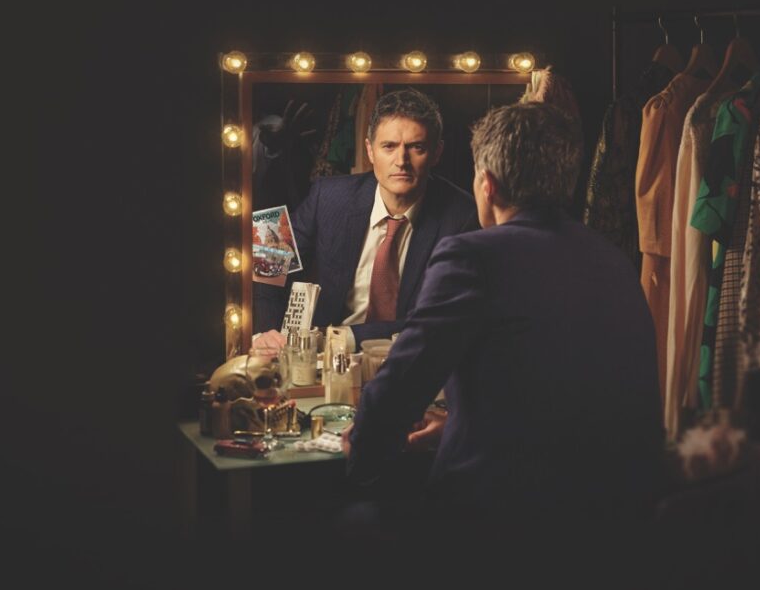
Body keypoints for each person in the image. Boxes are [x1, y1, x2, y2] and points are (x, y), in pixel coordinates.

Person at [342, 102, 664, 527]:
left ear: (486, 184)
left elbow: (401, 386)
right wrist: (458, 422)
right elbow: (564, 390)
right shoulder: (614, 259)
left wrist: (360, 456)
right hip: (619, 516)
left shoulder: (473, 255)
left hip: (507, 520)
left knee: (350, 521)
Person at [253, 89, 478, 352]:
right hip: (321, 362)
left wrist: (343, 338)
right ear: (370, 151)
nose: (401, 161)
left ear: (437, 153)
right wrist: (266, 331)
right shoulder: (327, 195)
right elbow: (268, 261)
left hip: (413, 357)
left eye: (416, 147)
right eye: (389, 146)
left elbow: (440, 320)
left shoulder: (462, 216)